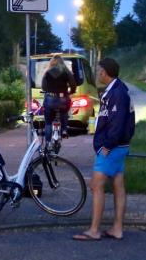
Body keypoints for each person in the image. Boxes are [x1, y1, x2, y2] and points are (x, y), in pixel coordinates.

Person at [73, 58, 135, 241]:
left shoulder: (117, 93)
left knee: (95, 185)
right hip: (119, 146)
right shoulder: (117, 91)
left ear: (105, 73)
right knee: (118, 184)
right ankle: (117, 229)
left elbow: (116, 123)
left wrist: (107, 146)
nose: (97, 73)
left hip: (112, 147)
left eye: (98, 70)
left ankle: (94, 231)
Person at [41, 55, 77, 138]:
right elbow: (73, 85)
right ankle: (64, 130)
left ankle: (48, 143)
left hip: (50, 98)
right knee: (64, 111)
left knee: (48, 123)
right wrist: (71, 92)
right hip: (63, 98)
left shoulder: (47, 72)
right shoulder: (67, 71)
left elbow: (44, 87)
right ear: (62, 62)